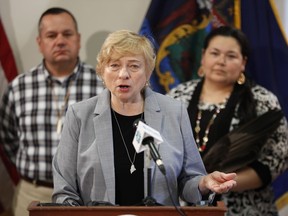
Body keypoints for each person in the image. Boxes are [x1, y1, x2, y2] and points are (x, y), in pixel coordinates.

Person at [52, 29, 236, 207]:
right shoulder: (79, 115)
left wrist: (203, 183)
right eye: (114, 65)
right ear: (102, 71)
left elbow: (189, 179)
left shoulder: (174, 112)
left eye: (133, 66)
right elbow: (64, 190)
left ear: (147, 73)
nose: (123, 74)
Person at [167, 26, 288, 215]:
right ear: (203, 56)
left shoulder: (262, 101)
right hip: (184, 208)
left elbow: (276, 160)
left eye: (231, 56)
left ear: (243, 63)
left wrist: (221, 184)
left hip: (245, 209)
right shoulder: (177, 96)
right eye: (214, 53)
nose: (221, 61)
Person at [0, 7, 104, 216]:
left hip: (88, 195)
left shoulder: (102, 87)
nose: (60, 41)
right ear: (40, 43)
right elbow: (7, 137)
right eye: (51, 35)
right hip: (33, 193)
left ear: (78, 39)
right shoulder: (19, 87)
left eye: (67, 34)